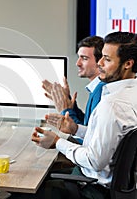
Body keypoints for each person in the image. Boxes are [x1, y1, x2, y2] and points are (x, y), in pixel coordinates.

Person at [32, 31, 137, 199]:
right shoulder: (131, 95)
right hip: (118, 188)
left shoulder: (111, 106)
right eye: (101, 57)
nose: (100, 63)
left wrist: (57, 142)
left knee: (31, 187)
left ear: (127, 64)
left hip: (92, 188)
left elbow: (95, 161)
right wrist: (76, 129)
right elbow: (111, 139)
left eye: (107, 59)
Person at [43, 36, 104, 126]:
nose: (78, 63)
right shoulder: (96, 88)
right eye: (79, 57)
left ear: (100, 62)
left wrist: (65, 110)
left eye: (84, 58)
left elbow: (88, 136)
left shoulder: (101, 90)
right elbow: (87, 125)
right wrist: (70, 106)